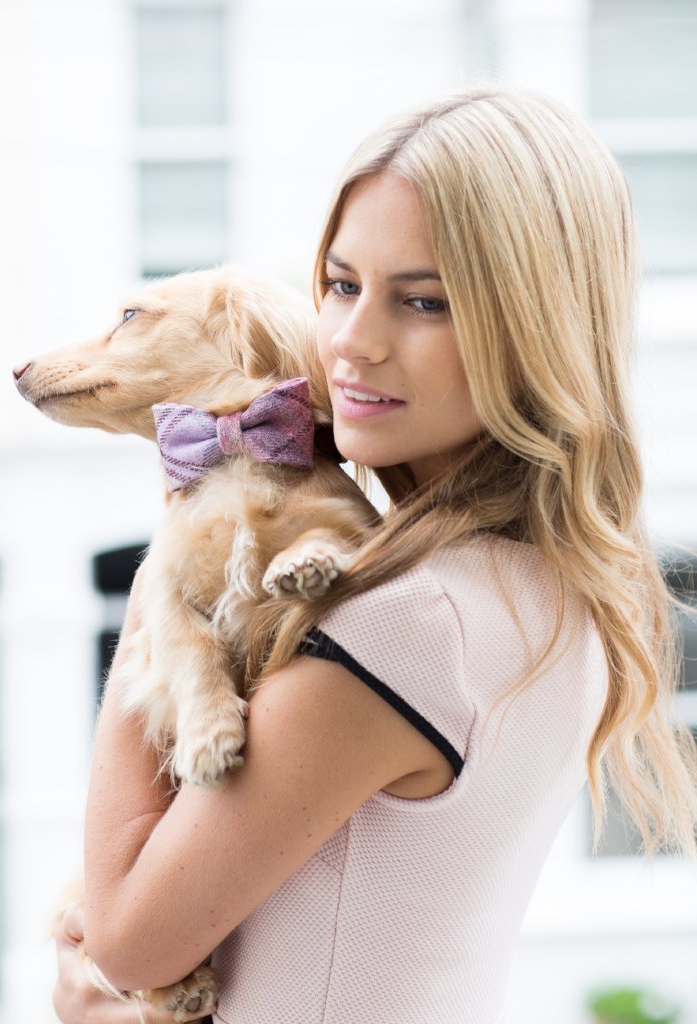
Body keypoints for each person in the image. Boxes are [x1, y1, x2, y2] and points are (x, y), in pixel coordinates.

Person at [52, 87, 697, 1024]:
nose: (351, 343)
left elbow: (126, 942)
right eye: (342, 285)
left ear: (535, 329)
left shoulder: (408, 622)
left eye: (423, 301)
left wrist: (178, 549)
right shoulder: (542, 587)